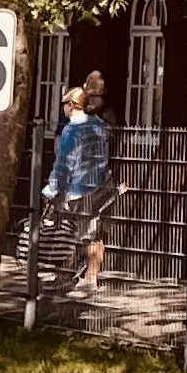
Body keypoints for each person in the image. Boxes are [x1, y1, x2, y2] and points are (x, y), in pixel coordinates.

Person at [42, 71, 115, 293]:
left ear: (73, 104)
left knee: (67, 232)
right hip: (97, 184)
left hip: (76, 188)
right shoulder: (100, 126)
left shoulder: (72, 129)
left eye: (65, 103)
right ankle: (90, 278)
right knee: (92, 233)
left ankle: (66, 276)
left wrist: (52, 190)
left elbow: (65, 163)